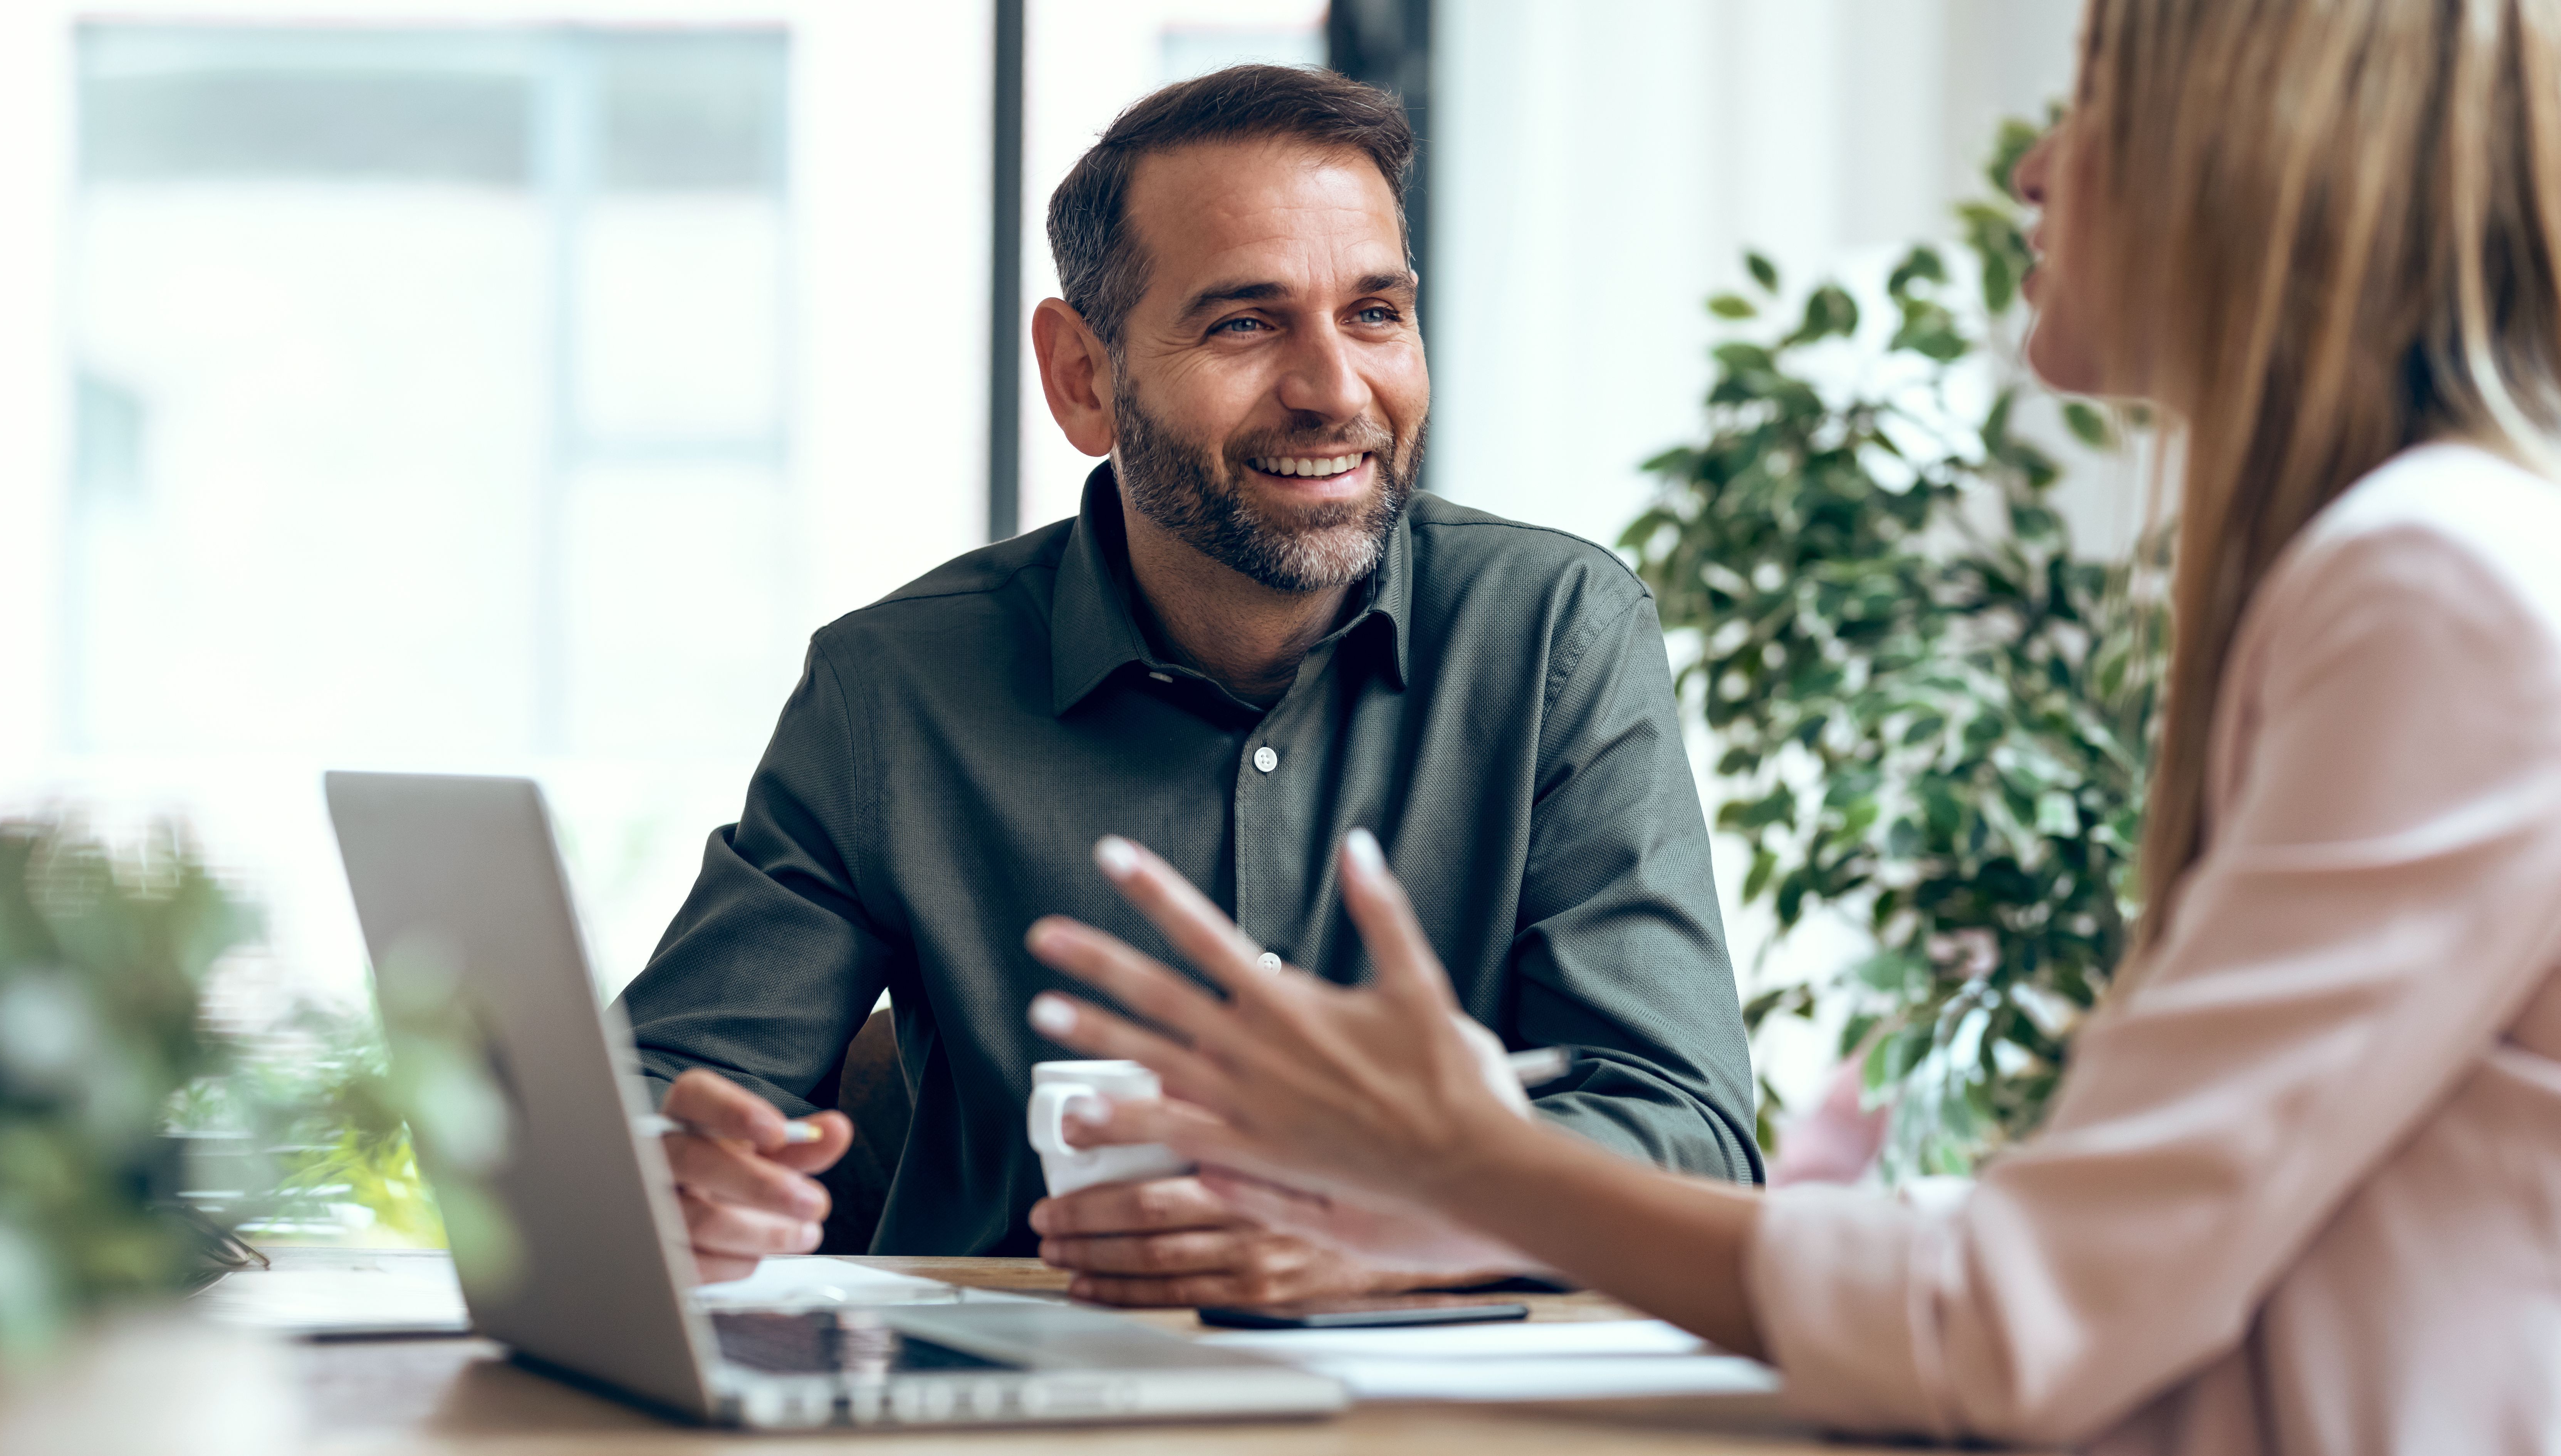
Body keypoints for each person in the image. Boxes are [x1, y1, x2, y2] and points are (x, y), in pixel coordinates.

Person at [1019, 0, 2561, 1447]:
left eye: (2095, 103)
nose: (2031, 165)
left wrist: (1467, 1159)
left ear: (2263, 149)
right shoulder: (2412, 566)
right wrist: (1481, 1210)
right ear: (1082, 378)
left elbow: (2015, 1323)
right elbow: (2107, 1254)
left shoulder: (2437, 587)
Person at [621, 65, 1760, 1305]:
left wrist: (1400, 1224)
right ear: (1082, 378)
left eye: (1375, 313)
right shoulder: (893, 685)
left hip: (1428, 1402)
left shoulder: (1556, 635)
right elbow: (660, 1087)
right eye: (1245, 324)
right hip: (1008, 1385)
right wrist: (679, 1177)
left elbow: (1687, 1134)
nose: (1335, 391)